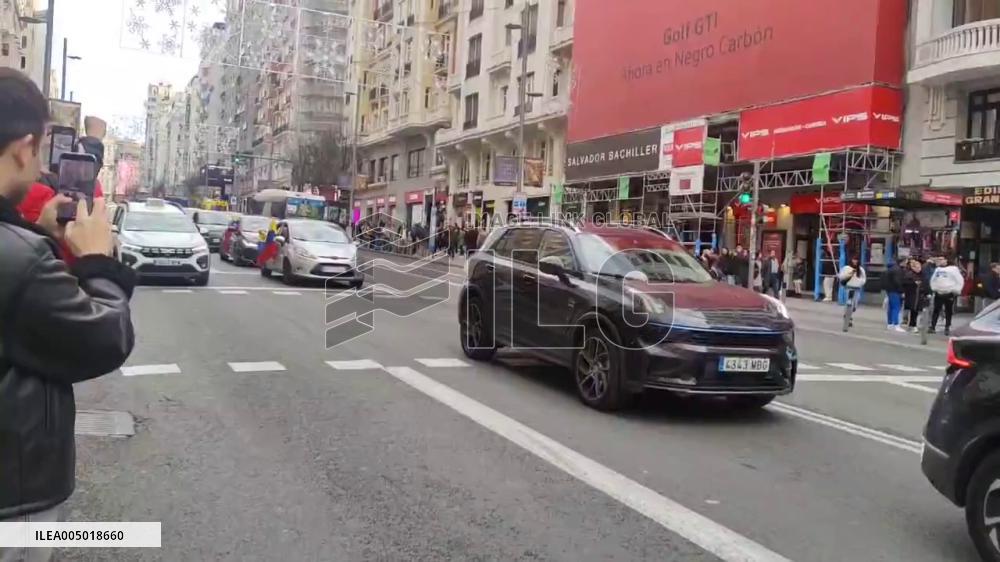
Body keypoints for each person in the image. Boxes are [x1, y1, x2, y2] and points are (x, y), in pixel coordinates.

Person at [0, 69, 135, 562]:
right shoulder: (21, 258)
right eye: (39, 155)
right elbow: (104, 337)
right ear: (24, 147)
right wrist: (100, 262)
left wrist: (31, 230)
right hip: (14, 503)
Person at [930, 256, 964, 335]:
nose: (940, 261)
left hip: (949, 293)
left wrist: (956, 290)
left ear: (946, 260)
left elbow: (959, 280)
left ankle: (947, 326)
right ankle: (932, 326)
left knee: (948, 311)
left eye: (942, 259)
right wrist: (934, 288)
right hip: (939, 293)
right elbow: (933, 280)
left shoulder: (953, 269)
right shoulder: (937, 270)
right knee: (936, 310)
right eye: (939, 259)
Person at [882, 258, 905, 331]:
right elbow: (897, 281)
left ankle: (890, 323)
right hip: (895, 290)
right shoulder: (897, 270)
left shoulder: (890, 269)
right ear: (902, 262)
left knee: (891, 307)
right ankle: (896, 324)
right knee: (896, 307)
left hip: (889, 290)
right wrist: (901, 291)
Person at [903, 258, 925, 332]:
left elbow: (925, 283)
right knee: (913, 311)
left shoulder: (922, 274)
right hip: (912, 296)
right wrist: (914, 283)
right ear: (913, 267)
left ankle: (912, 325)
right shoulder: (909, 275)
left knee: (916, 311)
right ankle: (912, 325)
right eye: (917, 267)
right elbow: (905, 284)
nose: (919, 269)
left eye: (919, 267)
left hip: (919, 296)